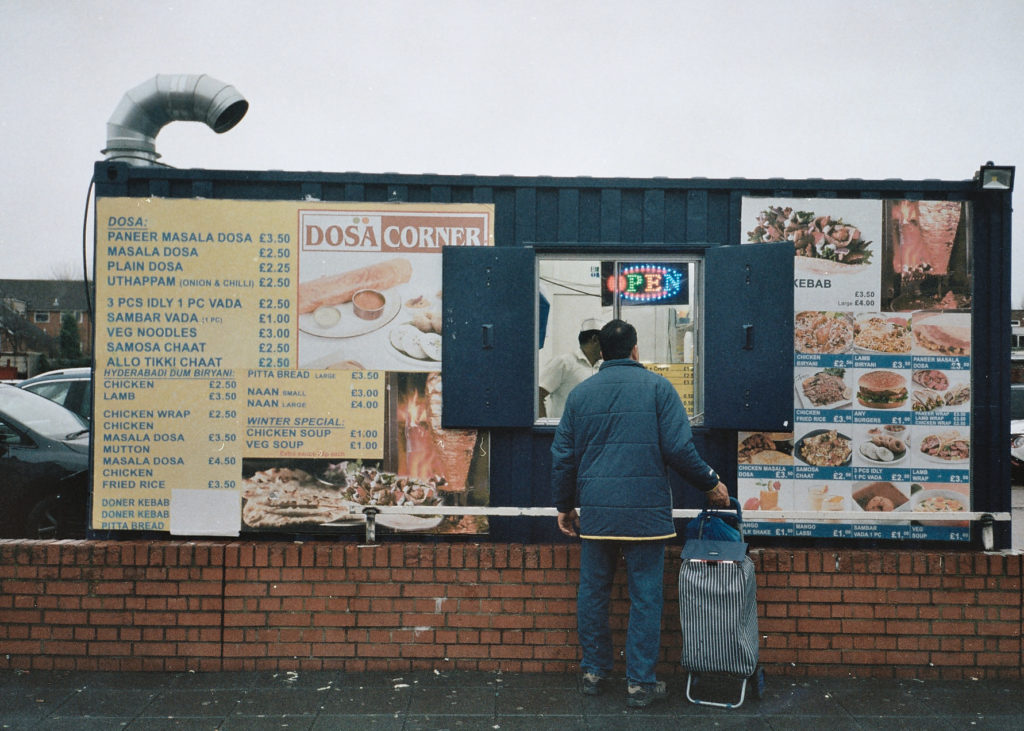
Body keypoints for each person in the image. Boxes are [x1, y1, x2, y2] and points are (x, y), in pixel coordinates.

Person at [550, 319, 730, 708]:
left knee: (593, 592)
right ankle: (639, 683)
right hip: (645, 515)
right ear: (634, 350)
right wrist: (711, 483)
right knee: (645, 597)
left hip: (597, 514)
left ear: (601, 352)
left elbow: (563, 457)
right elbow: (680, 450)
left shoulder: (580, 395)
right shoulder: (659, 389)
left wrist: (564, 506)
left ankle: (595, 670)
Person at [538, 318, 604, 418]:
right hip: (566, 432)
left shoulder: (603, 367)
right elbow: (537, 395)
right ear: (595, 339)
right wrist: (545, 428)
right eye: (607, 341)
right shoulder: (564, 363)